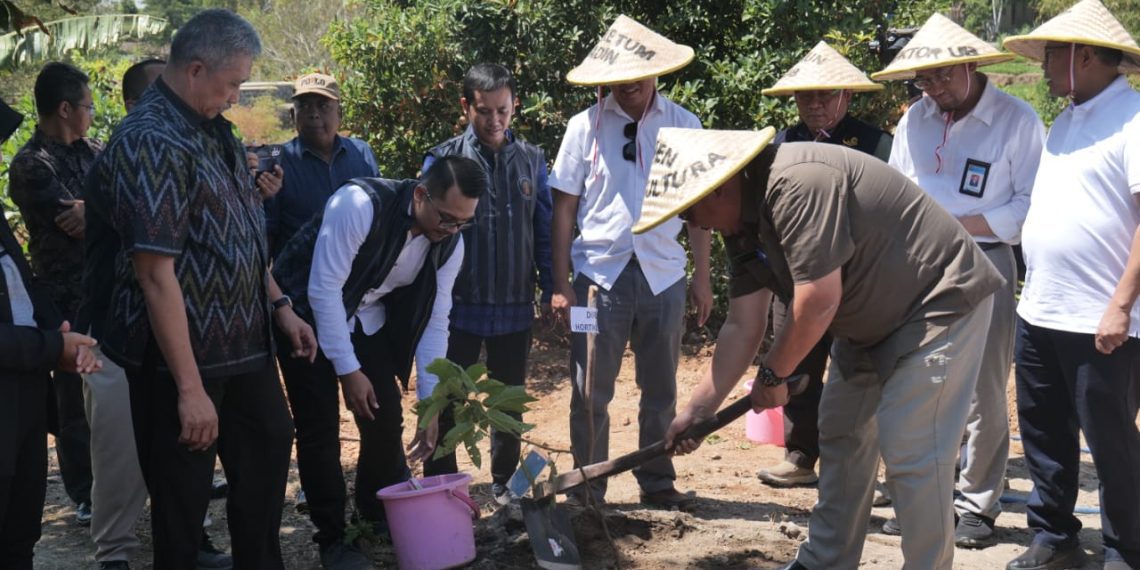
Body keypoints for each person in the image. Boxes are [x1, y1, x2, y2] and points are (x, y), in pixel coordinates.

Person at [651, 128, 1003, 570]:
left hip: (936, 304)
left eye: (689, 210)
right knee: (841, 432)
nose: (692, 224)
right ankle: (826, 561)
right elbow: (743, 322)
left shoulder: (798, 183)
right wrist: (700, 409)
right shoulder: (741, 224)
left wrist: (773, 375)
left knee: (912, 451)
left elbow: (817, 300)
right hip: (866, 323)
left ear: (719, 186)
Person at [85, 10, 316, 569]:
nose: (237, 96)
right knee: (182, 505)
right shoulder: (151, 141)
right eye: (233, 83)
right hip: (179, 365)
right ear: (194, 69)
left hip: (247, 348)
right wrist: (191, 391)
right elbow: (153, 274)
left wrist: (280, 306)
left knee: (266, 455)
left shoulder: (216, 131)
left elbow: (238, 235)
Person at [870, 13, 1045, 548]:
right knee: (920, 380)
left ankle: (977, 502)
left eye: (943, 75)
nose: (933, 88)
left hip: (987, 260)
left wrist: (962, 223)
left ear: (970, 64)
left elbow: (1030, 203)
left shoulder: (1017, 121)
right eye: (924, 79)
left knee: (983, 388)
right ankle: (926, 493)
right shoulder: (914, 121)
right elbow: (897, 188)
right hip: (919, 264)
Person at [271, 155, 485, 569]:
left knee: (384, 414)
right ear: (421, 194)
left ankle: (373, 510)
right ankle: (333, 538)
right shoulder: (357, 204)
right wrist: (348, 371)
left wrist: (431, 404)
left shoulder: (451, 243)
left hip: (362, 315)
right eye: (445, 219)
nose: (452, 231)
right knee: (320, 431)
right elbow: (324, 290)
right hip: (303, 315)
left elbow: (434, 321)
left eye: (463, 222)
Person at [548, 14, 713, 509]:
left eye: (638, 75)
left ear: (657, 72)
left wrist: (703, 277)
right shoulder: (584, 127)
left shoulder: (684, 124)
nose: (629, 85)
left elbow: (702, 211)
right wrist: (560, 282)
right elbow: (563, 209)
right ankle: (589, 487)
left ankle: (657, 482)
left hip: (664, 273)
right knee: (590, 389)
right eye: (619, 77)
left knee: (660, 388)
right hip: (599, 276)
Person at [77, 57, 232, 570]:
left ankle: (193, 540)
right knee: (119, 458)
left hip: (171, 335)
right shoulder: (134, 151)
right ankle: (116, 556)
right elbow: (148, 268)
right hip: (115, 335)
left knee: (184, 452)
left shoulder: (189, 146)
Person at [1002, 1, 1140, 567]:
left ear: (1082, 56)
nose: (1044, 66)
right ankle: (1055, 538)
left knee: (1110, 443)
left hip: (1098, 316)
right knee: (1043, 434)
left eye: (1051, 54)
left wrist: (1121, 307)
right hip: (1040, 308)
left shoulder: (1133, 118)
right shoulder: (1066, 118)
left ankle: (1125, 548)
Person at [753, 40, 892, 489]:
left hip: (857, 279)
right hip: (795, 275)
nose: (813, 103)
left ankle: (873, 463)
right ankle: (799, 453)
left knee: (864, 372)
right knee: (797, 365)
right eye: (804, 95)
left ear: (846, 96)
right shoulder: (781, 142)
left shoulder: (875, 142)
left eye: (824, 94)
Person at [420, 63, 553, 504]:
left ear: (515, 105)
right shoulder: (442, 160)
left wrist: (553, 284)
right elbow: (423, 234)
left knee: (507, 401)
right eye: (484, 111)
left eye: (503, 110)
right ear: (466, 107)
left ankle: (503, 486)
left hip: (514, 302)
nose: (495, 120)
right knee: (447, 398)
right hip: (455, 308)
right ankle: (443, 486)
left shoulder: (533, 161)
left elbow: (545, 230)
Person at [0, 95, 102, 570]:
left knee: (20, 529)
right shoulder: (33, 164)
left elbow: (21, 278)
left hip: (25, 380)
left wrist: (51, 328)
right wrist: (51, 345)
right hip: (22, 365)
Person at [265, 72, 379, 258]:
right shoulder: (278, 162)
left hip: (358, 279)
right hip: (299, 283)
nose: (313, 114)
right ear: (293, 115)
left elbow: (379, 215)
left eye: (323, 106)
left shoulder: (362, 153)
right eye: (304, 106)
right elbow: (267, 234)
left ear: (339, 114)